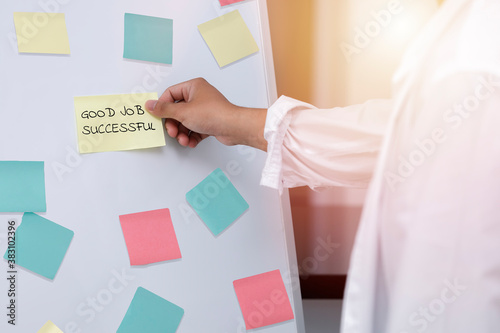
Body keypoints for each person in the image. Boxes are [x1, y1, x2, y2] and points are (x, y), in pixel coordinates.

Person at [145, 0, 500, 332]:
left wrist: (234, 121)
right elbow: (397, 142)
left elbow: (459, 275)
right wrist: (236, 121)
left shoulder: (474, 54)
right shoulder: (466, 40)